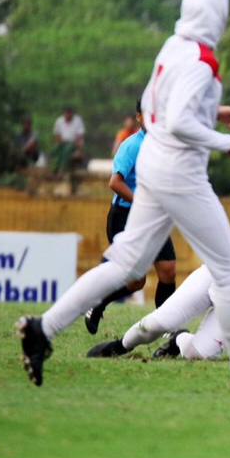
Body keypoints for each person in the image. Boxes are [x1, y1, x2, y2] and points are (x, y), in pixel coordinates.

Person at [16, 0, 230, 391]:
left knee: (126, 263)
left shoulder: (173, 46)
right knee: (227, 268)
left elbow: (154, 109)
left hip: (153, 162)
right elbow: (181, 120)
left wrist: (214, 111)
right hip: (181, 171)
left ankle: (43, 329)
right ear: (218, 13)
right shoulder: (203, 60)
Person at [87, 228, 230, 362]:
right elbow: (218, 288)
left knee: (198, 354)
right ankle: (120, 346)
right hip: (213, 280)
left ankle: (178, 339)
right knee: (161, 322)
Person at [82, 98, 177, 335]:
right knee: (136, 281)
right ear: (139, 118)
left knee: (168, 270)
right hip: (125, 216)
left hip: (153, 217)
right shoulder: (132, 145)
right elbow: (115, 182)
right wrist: (144, 202)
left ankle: (166, 326)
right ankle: (98, 302)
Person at [51, 105, 85, 176]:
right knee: (54, 151)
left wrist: (78, 150)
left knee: (67, 151)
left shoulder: (77, 121)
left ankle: (62, 171)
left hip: (73, 143)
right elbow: (56, 135)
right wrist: (58, 144)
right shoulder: (59, 121)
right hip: (62, 143)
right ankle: (53, 169)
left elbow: (79, 136)